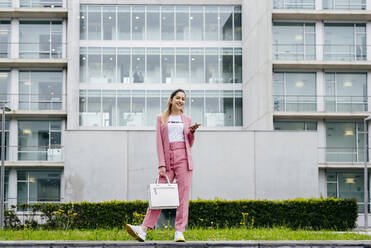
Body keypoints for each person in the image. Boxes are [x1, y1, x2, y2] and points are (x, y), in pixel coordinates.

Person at [126, 89, 200, 242]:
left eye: (183, 99)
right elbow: (159, 142)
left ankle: (179, 232)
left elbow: (189, 144)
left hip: (184, 159)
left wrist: (191, 133)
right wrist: (161, 164)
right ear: (171, 100)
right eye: (178, 98)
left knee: (183, 197)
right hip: (167, 159)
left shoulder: (187, 119)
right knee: (158, 194)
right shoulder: (161, 118)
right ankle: (143, 230)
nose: (180, 101)